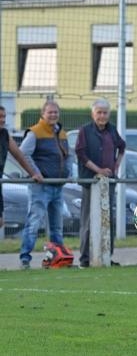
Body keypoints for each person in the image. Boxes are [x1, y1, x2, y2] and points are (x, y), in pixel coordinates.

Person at [19, 100, 73, 269]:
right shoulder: (35, 133)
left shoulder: (62, 133)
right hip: (41, 187)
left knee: (57, 226)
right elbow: (23, 154)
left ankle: (58, 259)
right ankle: (25, 259)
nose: (53, 115)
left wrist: (69, 173)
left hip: (58, 186)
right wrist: (35, 173)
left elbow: (68, 156)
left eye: (55, 112)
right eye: (50, 112)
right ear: (42, 114)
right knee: (34, 223)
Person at [75, 99, 126, 268]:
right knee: (88, 220)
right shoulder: (85, 130)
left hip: (108, 182)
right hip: (91, 181)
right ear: (93, 114)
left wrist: (115, 167)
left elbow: (122, 147)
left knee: (107, 219)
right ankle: (85, 258)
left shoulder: (111, 130)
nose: (102, 116)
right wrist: (97, 170)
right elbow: (81, 154)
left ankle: (106, 256)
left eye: (105, 113)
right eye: (99, 112)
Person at [0, 106, 44, 230]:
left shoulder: (4, 135)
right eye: (0, 117)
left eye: (4, 116)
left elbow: (19, 155)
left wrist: (33, 173)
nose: (2, 120)